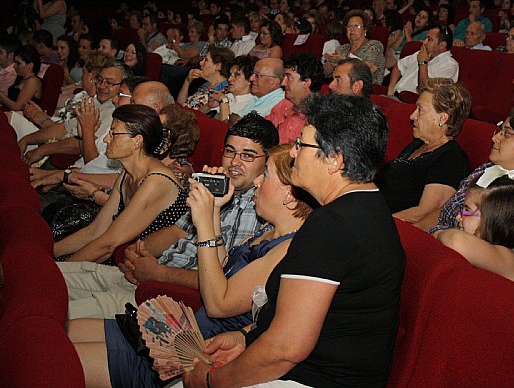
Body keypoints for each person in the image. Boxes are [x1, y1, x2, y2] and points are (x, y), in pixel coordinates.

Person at [182, 92, 405, 388]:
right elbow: (319, 320)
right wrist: (247, 337)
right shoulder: (369, 207)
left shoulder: (333, 225)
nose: (293, 153)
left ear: (334, 161)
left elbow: (286, 349)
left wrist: (212, 382)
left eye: (302, 144)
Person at [66, 143, 316, 388]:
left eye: (266, 175)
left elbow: (218, 304)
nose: (258, 182)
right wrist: (214, 210)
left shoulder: (287, 250)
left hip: (192, 356)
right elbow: (222, 269)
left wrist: (203, 224)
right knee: (61, 332)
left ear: (289, 195)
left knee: (57, 360)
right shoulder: (269, 231)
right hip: (177, 334)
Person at [58, 112, 278, 320]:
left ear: (268, 161)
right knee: (52, 276)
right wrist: (136, 253)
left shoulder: (259, 209)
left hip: (167, 299)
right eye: (229, 152)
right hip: (145, 275)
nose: (235, 162)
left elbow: (226, 279)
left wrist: (158, 273)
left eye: (247, 156)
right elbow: (176, 231)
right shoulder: (215, 185)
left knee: (56, 308)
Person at [52, 105, 188, 263]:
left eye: (113, 133)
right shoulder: (126, 174)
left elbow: (107, 245)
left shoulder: (156, 181)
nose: (106, 139)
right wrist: (49, 251)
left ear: (137, 141)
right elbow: (95, 231)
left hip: (154, 266)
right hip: (127, 259)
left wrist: (57, 270)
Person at [425, 107, 514, 232]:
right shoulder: (486, 169)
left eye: (507, 134)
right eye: (500, 131)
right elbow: (446, 210)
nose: (494, 138)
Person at [376, 78, 471, 222]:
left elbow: (426, 212)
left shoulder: (451, 158)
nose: (412, 116)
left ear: (442, 118)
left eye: (420, 110)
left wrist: (378, 221)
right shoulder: (416, 145)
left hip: (390, 224)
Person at [435, 175, 514, 292]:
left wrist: (436, 233)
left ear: (494, 219)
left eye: (467, 210)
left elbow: (455, 240)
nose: (458, 217)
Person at [267, 53, 323, 143]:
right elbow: (263, 132)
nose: (283, 83)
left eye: (288, 77)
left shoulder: (321, 117)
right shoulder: (284, 104)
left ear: (306, 82)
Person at [387, 25, 458, 96]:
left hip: (412, 101)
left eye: (429, 39)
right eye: (425, 38)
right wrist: (391, 87)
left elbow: (425, 89)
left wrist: (423, 63)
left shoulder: (450, 65)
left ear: (442, 45)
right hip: (394, 95)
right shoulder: (420, 53)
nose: (424, 42)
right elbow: (399, 65)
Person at [323, 10, 385, 84]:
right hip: (341, 87)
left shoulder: (374, 46)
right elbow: (325, 74)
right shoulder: (341, 49)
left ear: (365, 29)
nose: (352, 29)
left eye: (357, 26)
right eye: (349, 26)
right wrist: (331, 63)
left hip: (366, 87)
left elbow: (368, 69)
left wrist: (343, 60)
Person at [178, 47, 233, 111]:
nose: (200, 63)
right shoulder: (206, 85)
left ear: (218, 66)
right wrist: (187, 81)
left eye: (206, 60)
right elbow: (180, 106)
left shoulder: (225, 90)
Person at [0, 45, 42, 111]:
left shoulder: (33, 81)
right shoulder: (21, 78)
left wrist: (1, 95)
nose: (14, 66)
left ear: (30, 66)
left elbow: (18, 107)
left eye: (18, 63)